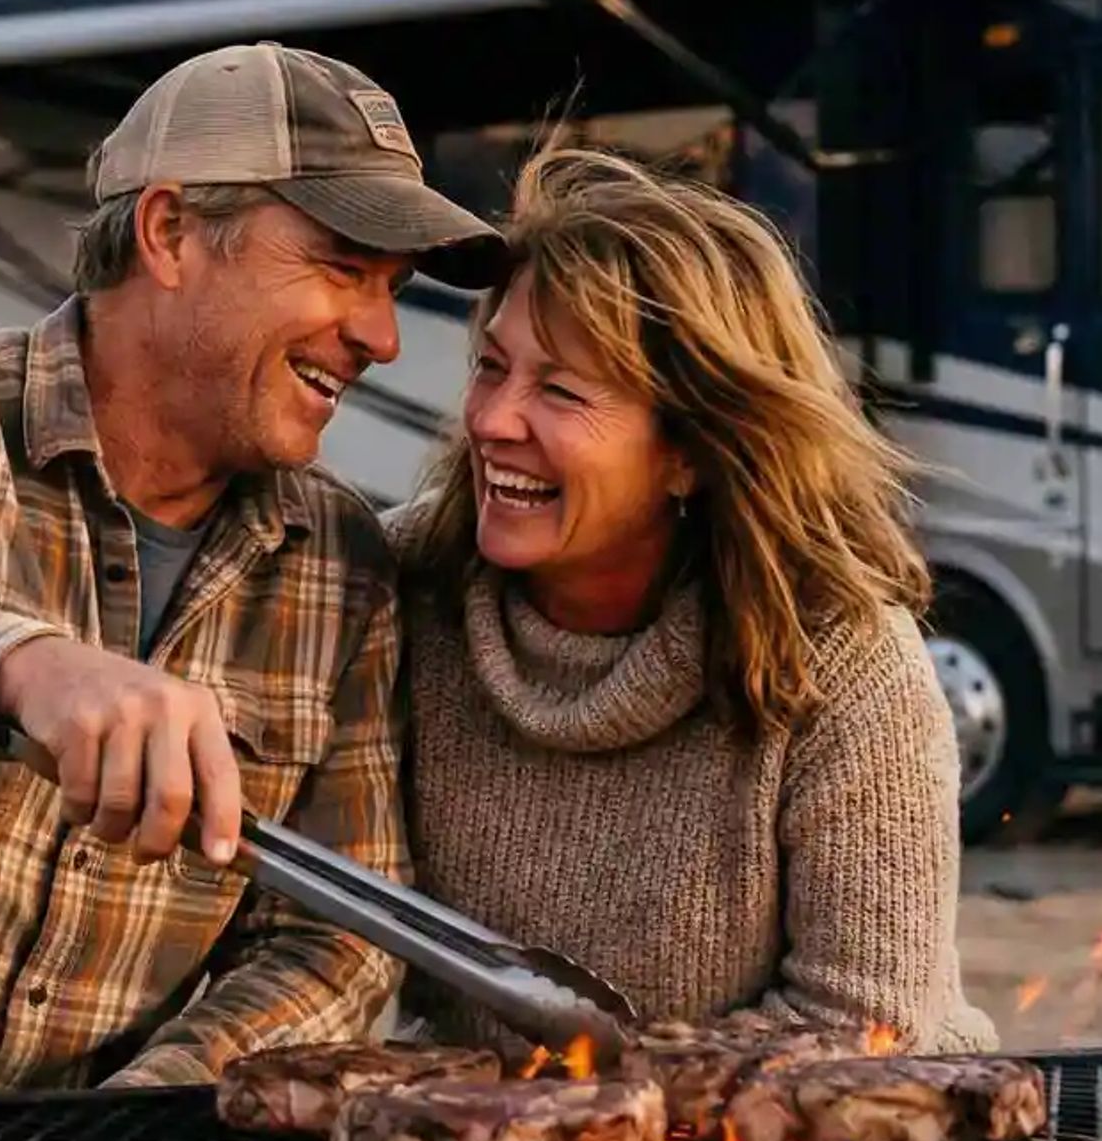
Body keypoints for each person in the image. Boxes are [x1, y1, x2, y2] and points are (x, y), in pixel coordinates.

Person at [0, 40, 504, 1095]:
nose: (383, 337)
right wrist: (19, 668)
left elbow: (337, 938)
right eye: (341, 267)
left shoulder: (343, 566)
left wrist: (136, 1126)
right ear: (169, 232)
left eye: (394, 288)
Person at [392, 145, 995, 1055]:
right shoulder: (401, 586)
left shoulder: (838, 655)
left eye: (559, 389)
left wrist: (556, 1115)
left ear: (693, 452)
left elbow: (867, 1028)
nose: (490, 420)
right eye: (490, 366)